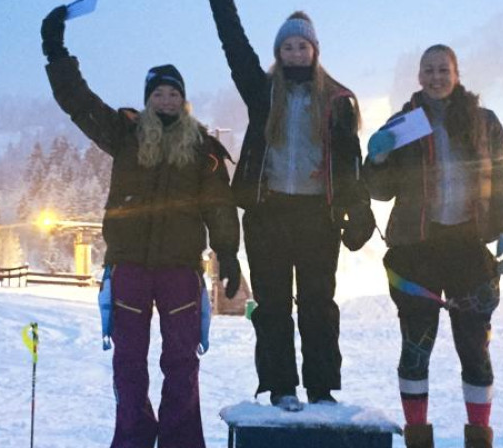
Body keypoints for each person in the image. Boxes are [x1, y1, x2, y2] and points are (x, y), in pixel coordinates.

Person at [40, 6, 242, 448]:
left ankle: (180, 440)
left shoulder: (203, 149)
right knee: (129, 363)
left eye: (174, 94)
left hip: (179, 271)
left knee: (181, 363)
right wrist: (56, 50)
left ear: (183, 101)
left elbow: (220, 206)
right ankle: (132, 438)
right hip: (129, 267)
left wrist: (228, 253)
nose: (166, 101)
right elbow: (78, 102)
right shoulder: (124, 135)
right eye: (159, 94)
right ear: (148, 98)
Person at [207, 0, 376, 411]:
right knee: (272, 307)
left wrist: (360, 210)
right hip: (268, 214)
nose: (296, 54)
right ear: (278, 54)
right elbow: (235, 46)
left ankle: (321, 388)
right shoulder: (261, 91)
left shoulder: (336, 100)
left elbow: (349, 160)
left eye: (303, 46)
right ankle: (281, 386)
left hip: (319, 216)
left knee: (319, 305)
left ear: (315, 51)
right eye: (288, 48)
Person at [362, 44, 503, 448]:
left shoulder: (483, 123)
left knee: (475, 348)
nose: (436, 77)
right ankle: (418, 437)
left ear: (456, 73)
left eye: (443, 70)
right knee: (416, 347)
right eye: (429, 70)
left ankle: (479, 438)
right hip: (417, 247)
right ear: (419, 76)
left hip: (469, 245)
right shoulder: (403, 124)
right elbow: (380, 191)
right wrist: (378, 159)